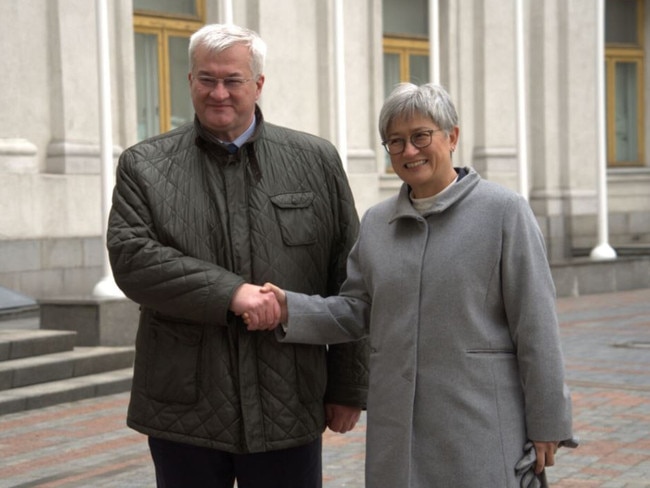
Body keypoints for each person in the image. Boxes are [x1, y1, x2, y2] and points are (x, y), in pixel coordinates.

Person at [249, 83, 575, 487]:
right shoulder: (377, 222)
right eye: (396, 142)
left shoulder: (504, 212)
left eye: (421, 136)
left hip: (480, 427)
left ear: (452, 136)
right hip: (396, 431)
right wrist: (288, 308)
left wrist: (549, 423)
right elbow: (356, 309)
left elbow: (537, 326)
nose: (409, 151)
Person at [106, 23, 368, 488]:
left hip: (289, 396)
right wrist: (232, 293)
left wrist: (348, 387)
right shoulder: (143, 165)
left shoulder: (316, 161)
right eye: (206, 79)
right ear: (190, 81)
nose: (219, 92)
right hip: (185, 408)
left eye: (233, 80)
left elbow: (348, 280)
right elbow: (132, 259)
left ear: (259, 84)